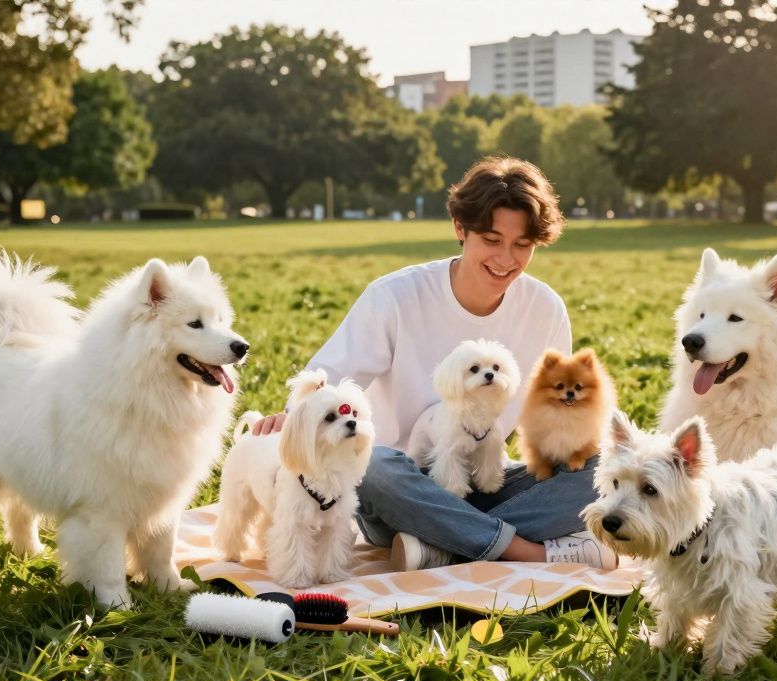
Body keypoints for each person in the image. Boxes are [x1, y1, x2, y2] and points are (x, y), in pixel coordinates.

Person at [251, 157, 616, 572]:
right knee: (371, 462)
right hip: (396, 493)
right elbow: (325, 382)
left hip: (483, 481)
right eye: (492, 240)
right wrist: (287, 416)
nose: (506, 258)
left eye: (522, 245)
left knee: (607, 467)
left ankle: (439, 546)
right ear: (461, 229)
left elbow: (557, 419)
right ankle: (522, 551)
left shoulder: (545, 309)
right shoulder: (394, 297)